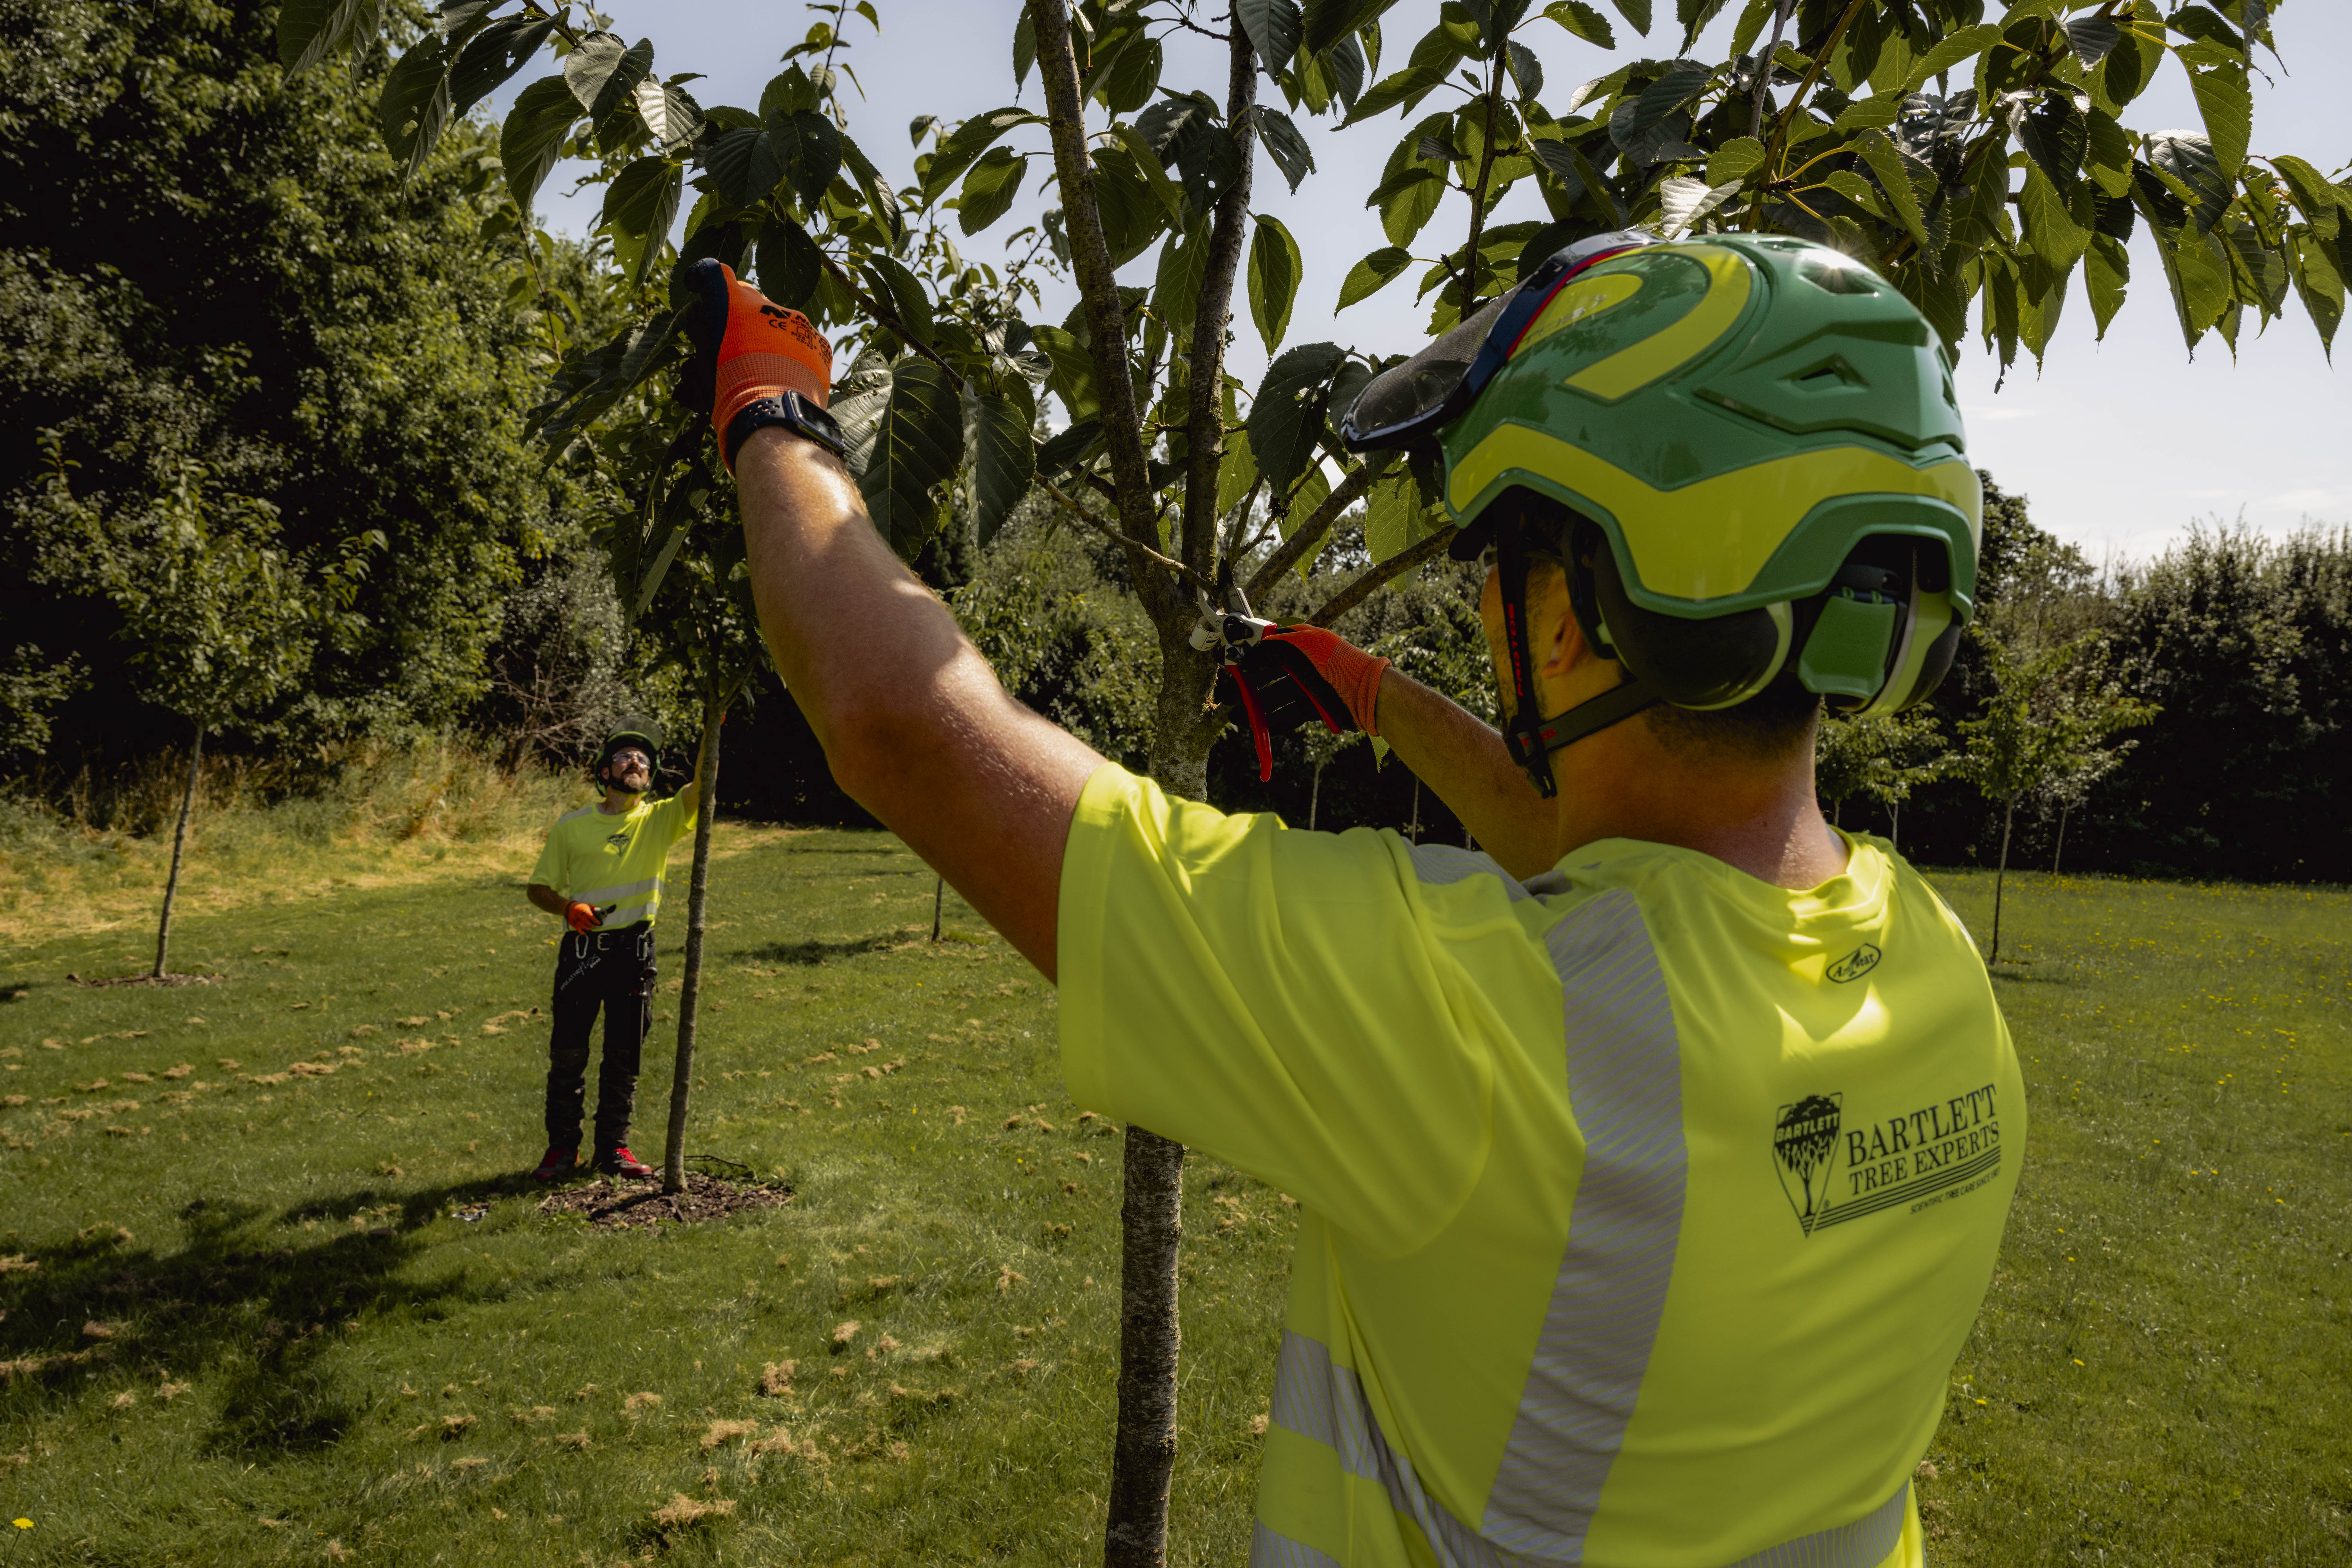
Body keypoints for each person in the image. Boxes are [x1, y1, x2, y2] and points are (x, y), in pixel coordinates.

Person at [677, 227, 2022, 1567]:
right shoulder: (1936, 974)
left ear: (1564, 619)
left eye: (1502, 565)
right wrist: (1365, 689)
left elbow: (904, 726)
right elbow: (1627, 865)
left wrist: (776, 414)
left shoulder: (1471, 1026)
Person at [522, 722, 706, 1183]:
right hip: (583, 953)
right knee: (568, 1055)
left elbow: (705, 783)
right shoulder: (572, 827)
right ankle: (562, 1149)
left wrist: (711, 729)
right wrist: (569, 908)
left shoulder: (660, 819)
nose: (636, 762)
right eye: (625, 756)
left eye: (644, 760)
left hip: (635, 955)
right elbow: (538, 888)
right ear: (605, 771)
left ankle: (613, 1150)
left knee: (625, 1056)